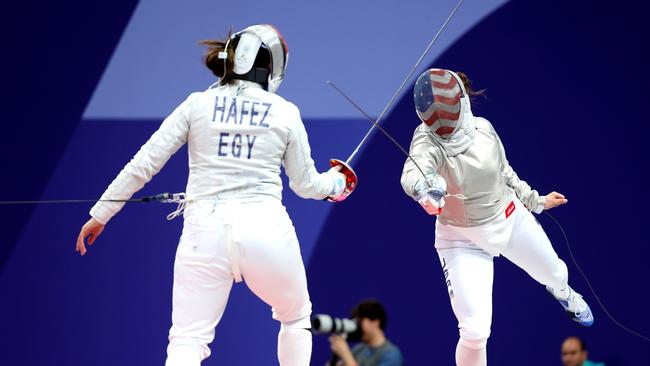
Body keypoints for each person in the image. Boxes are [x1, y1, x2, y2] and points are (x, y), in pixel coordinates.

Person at [74, 24, 356, 366]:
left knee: (187, 338)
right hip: (266, 233)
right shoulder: (284, 111)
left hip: (203, 235)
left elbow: (144, 163)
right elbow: (307, 185)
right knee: (295, 317)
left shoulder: (197, 104)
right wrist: (338, 183)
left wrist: (101, 213)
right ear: (271, 67)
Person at [400, 68, 593, 366]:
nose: (444, 125)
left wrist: (536, 201)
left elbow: (505, 173)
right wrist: (425, 189)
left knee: (555, 273)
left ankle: (564, 293)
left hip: (509, 218)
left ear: (461, 102)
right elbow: (414, 172)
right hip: (461, 239)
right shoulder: (426, 142)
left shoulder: (485, 129)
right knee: (475, 330)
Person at [329, 300, 403, 366]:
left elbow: (350, 362)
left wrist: (346, 355)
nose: (357, 327)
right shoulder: (359, 349)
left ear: (375, 322)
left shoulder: (391, 354)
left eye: (359, 322)